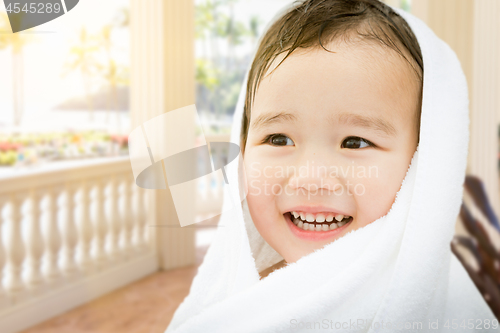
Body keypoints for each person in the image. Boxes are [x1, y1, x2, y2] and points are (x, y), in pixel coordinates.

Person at [165, 1, 498, 332]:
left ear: (423, 163)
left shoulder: (449, 313)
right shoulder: (231, 305)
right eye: (279, 139)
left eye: (354, 142)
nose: (311, 179)